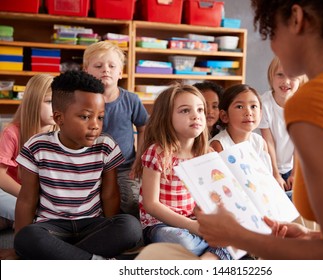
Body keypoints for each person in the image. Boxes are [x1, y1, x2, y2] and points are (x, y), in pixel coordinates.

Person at [194, 0, 323, 259]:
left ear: (296, 19)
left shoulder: (314, 100)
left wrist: (236, 235)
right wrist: (312, 237)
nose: (273, 46)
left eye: (272, 33)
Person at [13, 71, 142, 260]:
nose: (95, 125)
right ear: (59, 118)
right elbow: (26, 199)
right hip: (52, 227)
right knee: (26, 238)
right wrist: (18, 247)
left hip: (91, 226)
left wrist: (109, 227)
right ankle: (93, 261)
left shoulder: (105, 145)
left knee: (130, 227)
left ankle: (65, 258)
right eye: (85, 117)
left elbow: (110, 194)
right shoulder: (37, 146)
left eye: (100, 117)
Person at [133, 83, 232, 260]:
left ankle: (206, 257)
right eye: (185, 111)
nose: (196, 115)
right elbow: (151, 205)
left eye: (200, 110)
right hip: (161, 225)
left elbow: (213, 195)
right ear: (166, 117)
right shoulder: (157, 152)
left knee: (238, 228)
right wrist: (193, 228)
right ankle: (215, 253)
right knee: (180, 241)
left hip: (196, 221)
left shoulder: (206, 153)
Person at [83, 41, 148, 218]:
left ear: (120, 72)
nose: (106, 70)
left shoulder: (131, 100)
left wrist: (139, 159)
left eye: (112, 66)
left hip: (125, 167)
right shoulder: (80, 100)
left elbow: (144, 128)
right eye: (98, 66)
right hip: (89, 167)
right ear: (86, 70)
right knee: (90, 207)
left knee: (131, 203)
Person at [0, 74, 57, 230]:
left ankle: (13, 220)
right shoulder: (12, 132)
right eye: (50, 102)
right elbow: (1, 176)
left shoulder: (60, 134)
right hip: (16, 194)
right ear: (33, 102)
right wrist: (29, 197)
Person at [259, 57, 306, 200]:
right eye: (280, 75)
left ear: (300, 81)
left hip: (291, 167)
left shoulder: (301, 107)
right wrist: (275, 174)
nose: (286, 81)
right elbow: (269, 142)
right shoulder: (263, 104)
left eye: (292, 77)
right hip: (267, 167)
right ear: (271, 77)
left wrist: (295, 174)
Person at [209, 84, 272, 173]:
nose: (248, 112)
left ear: (261, 114)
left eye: (253, 106)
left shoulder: (259, 142)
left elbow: (267, 175)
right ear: (224, 116)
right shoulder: (218, 145)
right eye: (240, 107)